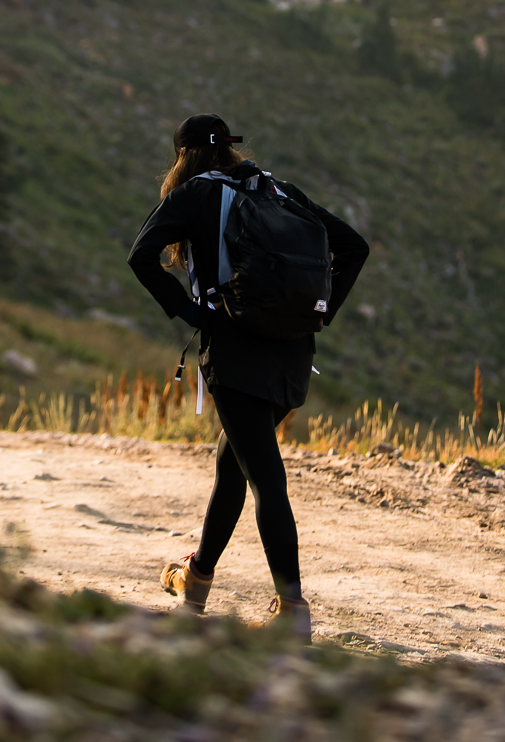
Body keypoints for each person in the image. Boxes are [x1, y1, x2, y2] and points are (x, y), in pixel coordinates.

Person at [126, 113, 369, 639]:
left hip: (235, 351)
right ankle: (195, 581)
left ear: (182, 157)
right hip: (293, 353)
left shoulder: (192, 194)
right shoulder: (278, 189)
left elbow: (140, 256)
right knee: (232, 461)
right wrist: (321, 313)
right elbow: (354, 247)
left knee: (263, 475)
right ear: (229, 149)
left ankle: (293, 609)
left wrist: (194, 315)